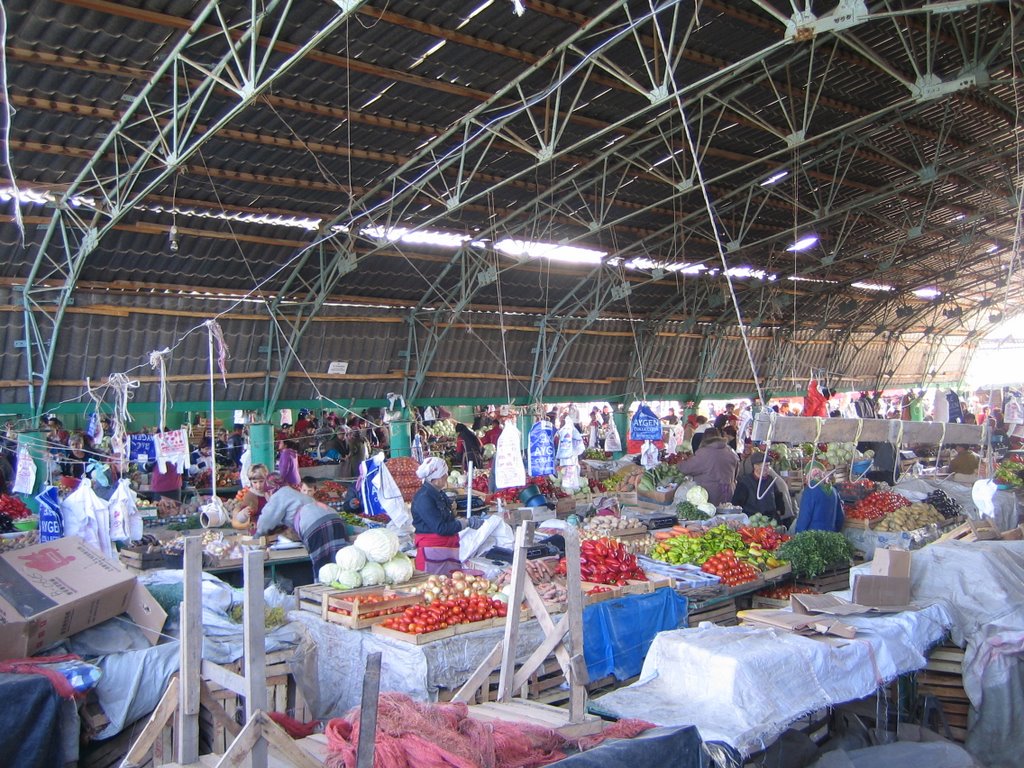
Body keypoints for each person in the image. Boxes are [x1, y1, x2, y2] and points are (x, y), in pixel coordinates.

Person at [256, 475, 349, 577]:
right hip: (335, 518)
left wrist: (256, 539)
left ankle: (323, 589)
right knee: (341, 562)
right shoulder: (296, 494)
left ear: (268, 492)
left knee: (324, 569)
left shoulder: (278, 495)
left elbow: (265, 522)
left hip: (316, 525)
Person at [411, 456, 484, 574]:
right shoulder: (424, 498)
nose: (446, 477)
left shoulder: (438, 493)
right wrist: (465, 523)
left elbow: (446, 519)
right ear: (436, 478)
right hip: (433, 553)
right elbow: (440, 528)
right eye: (444, 474)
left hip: (443, 551)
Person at [674, 430, 739, 505]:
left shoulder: (704, 453)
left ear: (704, 438)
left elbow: (685, 468)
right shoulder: (731, 451)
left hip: (710, 495)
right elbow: (736, 473)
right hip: (729, 494)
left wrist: (679, 463)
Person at [732, 452, 787, 522]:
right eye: (765, 466)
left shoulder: (770, 480)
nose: (768, 469)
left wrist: (779, 510)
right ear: (755, 466)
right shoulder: (745, 482)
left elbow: (777, 497)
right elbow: (737, 503)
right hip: (752, 520)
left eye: (769, 466)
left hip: (771, 519)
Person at [232, 463, 270, 531]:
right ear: (251, 482)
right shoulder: (250, 496)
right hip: (257, 529)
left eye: (261, 481)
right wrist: (244, 513)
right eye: (255, 482)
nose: (258, 485)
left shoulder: (270, 492)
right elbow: (239, 519)